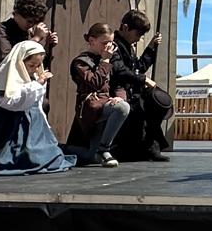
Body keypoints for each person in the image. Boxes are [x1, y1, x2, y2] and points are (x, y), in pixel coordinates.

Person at [0, 40, 75, 176]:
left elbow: (37, 102)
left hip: (35, 122)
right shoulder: (5, 78)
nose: (35, 69)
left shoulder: (35, 76)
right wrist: (36, 85)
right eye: (31, 65)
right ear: (20, 62)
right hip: (11, 124)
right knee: (14, 157)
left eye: (38, 65)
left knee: (50, 155)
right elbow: (12, 103)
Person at [66, 22, 132, 167]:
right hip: (91, 110)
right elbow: (94, 82)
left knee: (123, 106)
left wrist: (119, 97)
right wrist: (105, 61)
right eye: (104, 43)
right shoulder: (80, 62)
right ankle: (65, 149)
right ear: (92, 41)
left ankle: (104, 148)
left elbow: (118, 83)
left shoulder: (108, 60)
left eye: (111, 43)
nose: (108, 47)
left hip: (106, 105)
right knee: (92, 157)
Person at [108, 10, 171, 162]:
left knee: (156, 104)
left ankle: (150, 147)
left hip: (133, 92)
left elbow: (138, 67)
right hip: (119, 92)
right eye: (137, 34)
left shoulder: (128, 46)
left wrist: (151, 48)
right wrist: (144, 80)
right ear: (125, 28)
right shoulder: (114, 46)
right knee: (142, 109)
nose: (138, 39)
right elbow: (120, 70)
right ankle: (146, 148)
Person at [0, 0, 59, 91]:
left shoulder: (29, 34)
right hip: (0, 86)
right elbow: (8, 59)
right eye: (29, 21)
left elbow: (36, 63)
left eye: (34, 22)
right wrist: (36, 39)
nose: (31, 25)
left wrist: (47, 46)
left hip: (24, 85)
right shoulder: (1, 31)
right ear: (16, 13)